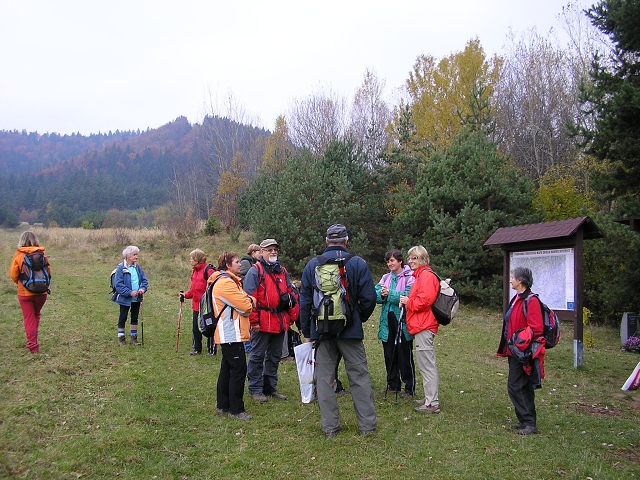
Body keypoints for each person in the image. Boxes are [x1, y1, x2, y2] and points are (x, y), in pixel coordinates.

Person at [299, 224, 377, 438]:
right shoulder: (358, 263)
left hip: (322, 332)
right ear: (346, 240)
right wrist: (357, 318)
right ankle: (367, 427)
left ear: (326, 241)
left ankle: (330, 427)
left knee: (324, 380)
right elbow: (369, 298)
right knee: (359, 377)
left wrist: (308, 331)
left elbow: (304, 301)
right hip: (350, 332)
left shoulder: (312, 265)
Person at [243, 238, 299, 402]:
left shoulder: (282, 271)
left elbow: (291, 294)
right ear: (261, 252)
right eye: (269, 249)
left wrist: (291, 317)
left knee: (274, 356)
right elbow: (249, 298)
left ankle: (270, 388)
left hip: (280, 321)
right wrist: (253, 322)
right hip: (261, 322)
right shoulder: (255, 271)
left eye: (275, 249)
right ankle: (255, 388)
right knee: (257, 356)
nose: (273, 252)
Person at [496, 266, 545, 435]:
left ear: (521, 281)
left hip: (523, 351)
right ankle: (525, 421)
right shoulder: (517, 298)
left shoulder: (531, 301)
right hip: (515, 350)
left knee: (515, 386)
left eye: (513, 278)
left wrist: (519, 340)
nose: (510, 280)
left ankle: (529, 422)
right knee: (521, 385)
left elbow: (536, 328)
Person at [210, 251, 256, 421]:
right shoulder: (226, 284)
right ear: (228, 265)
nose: (240, 264)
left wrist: (247, 299)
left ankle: (223, 405)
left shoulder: (227, 282)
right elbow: (246, 306)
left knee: (227, 369)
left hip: (229, 332)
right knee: (238, 370)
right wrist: (251, 300)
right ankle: (236, 409)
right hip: (231, 333)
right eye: (236, 262)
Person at [399, 245, 441, 414]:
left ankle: (432, 403)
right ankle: (429, 397)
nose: (410, 261)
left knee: (427, 364)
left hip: (425, 325)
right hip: (421, 325)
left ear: (423, 259)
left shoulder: (426, 277)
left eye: (414, 258)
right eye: (410, 258)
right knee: (424, 364)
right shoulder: (421, 276)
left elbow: (424, 301)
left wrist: (408, 301)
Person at [375, 249, 416, 397]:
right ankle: (393, 384)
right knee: (389, 353)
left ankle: (409, 387)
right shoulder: (385, 277)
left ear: (400, 261)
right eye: (388, 261)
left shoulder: (410, 276)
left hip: (403, 321)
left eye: (392, 260)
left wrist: (389, 294)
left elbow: (408, 296)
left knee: (404, 353)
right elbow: (376, 295)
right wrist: (381, 294)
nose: (390, 264)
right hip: (387, 319)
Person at [9, 231, 51, 353]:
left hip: (24, 293)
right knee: (36, 314)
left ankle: (32, 344)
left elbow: (13, 275)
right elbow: (48, 273)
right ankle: (33, 338)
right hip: (41, 293)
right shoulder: (42, 255)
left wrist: (21, 284)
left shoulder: (18, 256)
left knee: (29, 318)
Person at [111, 245, 148, 346]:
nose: (136, 257)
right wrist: (129, 292)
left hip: (137, 298)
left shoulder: (137, 267)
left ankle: (133, 339)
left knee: (134, 318)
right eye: (134, 255)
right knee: (123, 317)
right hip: (124, 298)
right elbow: (118, 284)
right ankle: (121, 338)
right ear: (127, 256)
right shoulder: (120, 268)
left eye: (137, 255)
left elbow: (144, 280)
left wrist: (142, 289)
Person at [181, 249, 215, 356]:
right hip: (196, 305)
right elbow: (193, 289)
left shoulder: (208, 271)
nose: (190, 260)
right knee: (196, 328)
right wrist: (185, 295)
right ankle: (197, 349)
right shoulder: (195, 271)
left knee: (209, 328)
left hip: (207, 306)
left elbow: (215, 287)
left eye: (192, 258)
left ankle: (212, 350)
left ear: (197, 259)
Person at [239, 243, 261, 353]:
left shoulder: (254, 263)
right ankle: (247, 346)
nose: (260, 254)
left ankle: (249, 344)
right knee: (246, 321)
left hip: (250, 295)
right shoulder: (246, 263)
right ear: (253, 252)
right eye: (259, 252)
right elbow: (242, 277)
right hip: (246, 295)